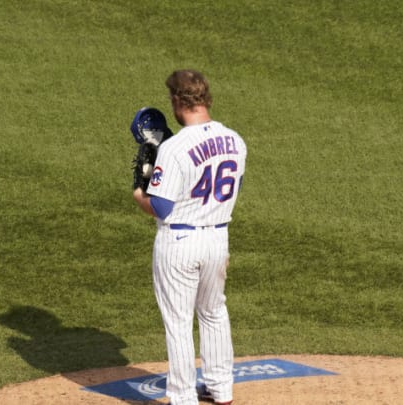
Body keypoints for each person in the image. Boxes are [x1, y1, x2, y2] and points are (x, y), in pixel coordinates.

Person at [132, 69, 247, 405]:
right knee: (214, 312)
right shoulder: (235, 141)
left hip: (180, 243)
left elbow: (162, 207)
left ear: (178, 101)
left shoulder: (175, 148)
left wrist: (140, 191)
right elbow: (221, 188)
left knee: (179, 322)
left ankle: (183, 397)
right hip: (218, 240)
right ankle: (221, 388)